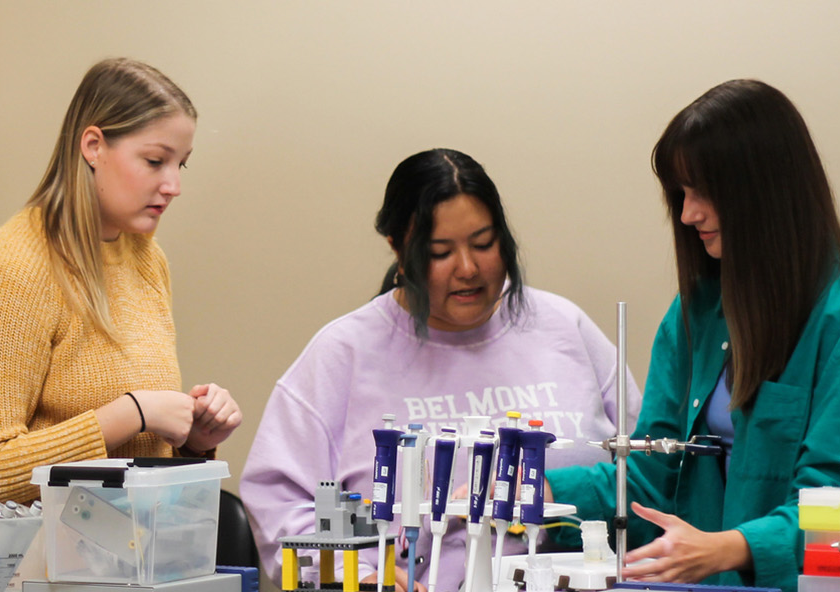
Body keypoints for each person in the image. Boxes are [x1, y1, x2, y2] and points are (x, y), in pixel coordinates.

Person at [544, 80, 840, 590]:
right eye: (681, 194)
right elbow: (651, 479)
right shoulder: (696, 312)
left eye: (703, 191)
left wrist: (726, 548)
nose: (688, 214)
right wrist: (540, 493)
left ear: (764, 190)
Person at [240, 148, 641, 591]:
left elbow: (646, 474)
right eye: (439, 252)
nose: (467, 269)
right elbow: (279, 507)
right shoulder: (344, 353)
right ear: (397, 247)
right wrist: (362, 577)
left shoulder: (564, 327)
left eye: (484, 244)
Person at [0, 58, 242, 509]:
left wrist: (192, 442)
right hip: (44, 570)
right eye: (155, 160)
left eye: (182, 164)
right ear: (93, 146)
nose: (174, 184)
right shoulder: (13, 268)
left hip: (136, 560)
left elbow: (137, 464)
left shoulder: (145, 258)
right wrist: (132, 413)